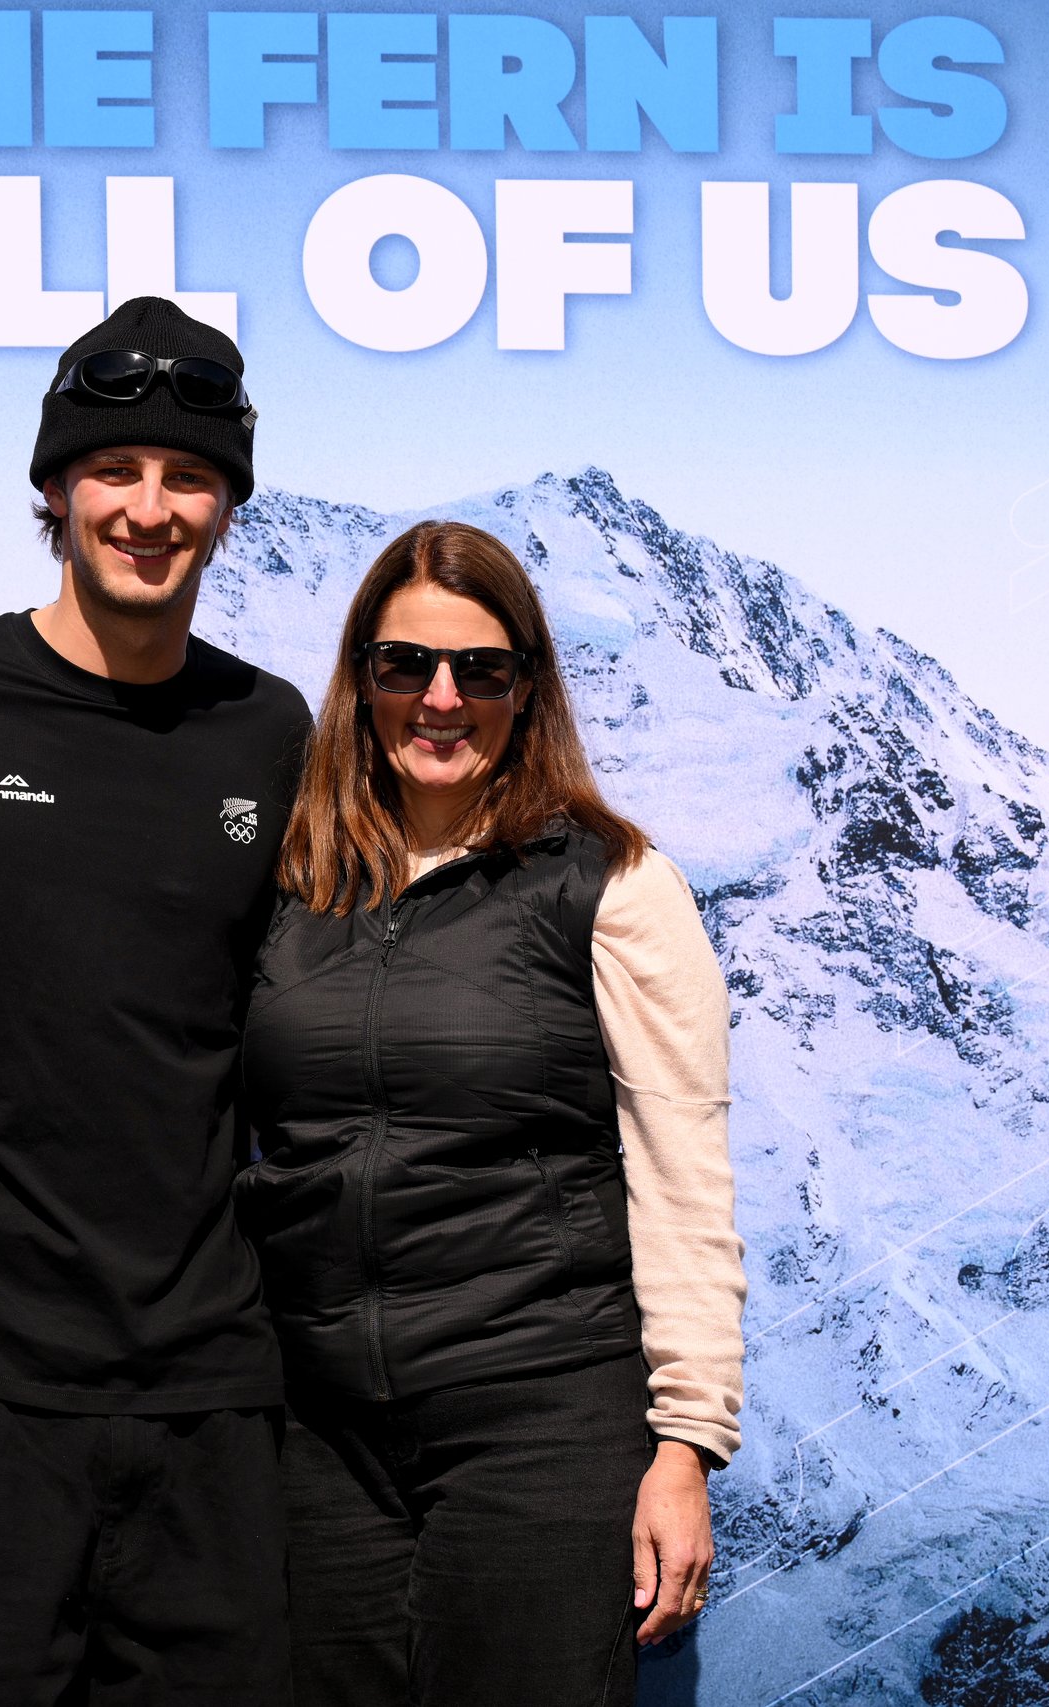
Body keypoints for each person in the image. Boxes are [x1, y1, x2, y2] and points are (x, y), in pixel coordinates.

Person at [0, 297, 312, 1704]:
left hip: (208, 1388)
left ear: (227, 506)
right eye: (115, 469)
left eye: (188, 476)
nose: (148, 508)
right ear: (54, 487)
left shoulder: (270, 729)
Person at [233, 520, 746, 1705]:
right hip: (317, 1436)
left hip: (539, 1427)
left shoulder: (612, 883)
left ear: (528, 688)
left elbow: (682, 1173)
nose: (441, 698)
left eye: (481, 669)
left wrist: (685, 1447)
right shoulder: (292, 885)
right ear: (361, 679)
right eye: (405, 664)